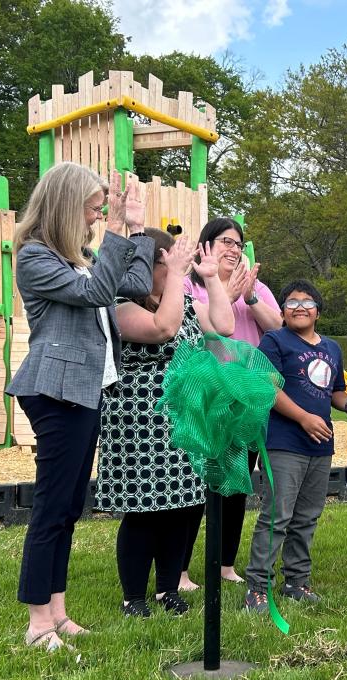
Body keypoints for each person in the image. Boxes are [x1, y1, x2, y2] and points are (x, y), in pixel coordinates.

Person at [6, 163, 152, 651]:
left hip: (83, 391)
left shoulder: (81, 257)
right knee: (52, 506)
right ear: (67, 204)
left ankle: (59, 612)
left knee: (68, 506)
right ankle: (37, 622)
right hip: (55, 390)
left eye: (100, 209)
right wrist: (113, 234)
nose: (96, 216)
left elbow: (134, 284)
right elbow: (97, 291)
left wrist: (133, 229)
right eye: (92, 208)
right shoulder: (35, 256)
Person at [95, 227, 234, 617]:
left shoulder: (185, 300)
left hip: (184, 418)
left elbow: (223, 326)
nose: (180, 265)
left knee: (184, 508)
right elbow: (163, 328)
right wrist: (177, 277)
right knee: (144, 510)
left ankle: (168, 589)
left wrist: (209, 278)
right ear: (156, 261)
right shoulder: (120, 304)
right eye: (172, 259)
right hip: (140, 420)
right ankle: (134, 597)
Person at [243, 280, 347, 612]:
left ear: (318, 312)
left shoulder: (332, 348)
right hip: (284, 443)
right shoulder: (274, 341)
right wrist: (303, 418)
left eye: (306, 302)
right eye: (291, 302)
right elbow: (268, 387)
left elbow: (336, 390)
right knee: (276, 516)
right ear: (281, 311)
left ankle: (296, 581)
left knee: (307, 516)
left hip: (320, 447)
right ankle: (257, 586)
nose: (299, 307)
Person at [181, 217, 282, 588]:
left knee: (237, 483)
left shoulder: (256, 288)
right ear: (206, 245)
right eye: (226, 241)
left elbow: (278, 327)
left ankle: (225, 565)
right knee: (195, 485)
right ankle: (180, 570)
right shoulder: (191, 286)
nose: (233, 249)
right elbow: (197, 335)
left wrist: (251, 296)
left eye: (238, 244)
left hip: (246, 401)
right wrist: (226, 295)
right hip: (206, 398)